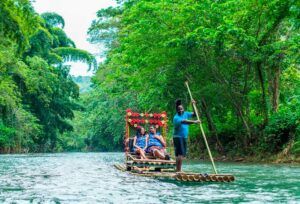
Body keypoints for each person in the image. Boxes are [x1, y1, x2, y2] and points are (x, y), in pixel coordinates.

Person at [173, 99, 200, 172]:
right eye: (179, 109)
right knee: (180, 154)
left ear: (183, 109)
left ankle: (178, 170)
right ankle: (179, 170)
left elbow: (195, 114)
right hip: (178, 137)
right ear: (177, 110)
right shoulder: (176, 118)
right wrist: (195, 122)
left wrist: (193, 105)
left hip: (182, 137)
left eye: (182, 109)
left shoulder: (186, 113)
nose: (181, 110)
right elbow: (185, 122)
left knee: (179, 154)